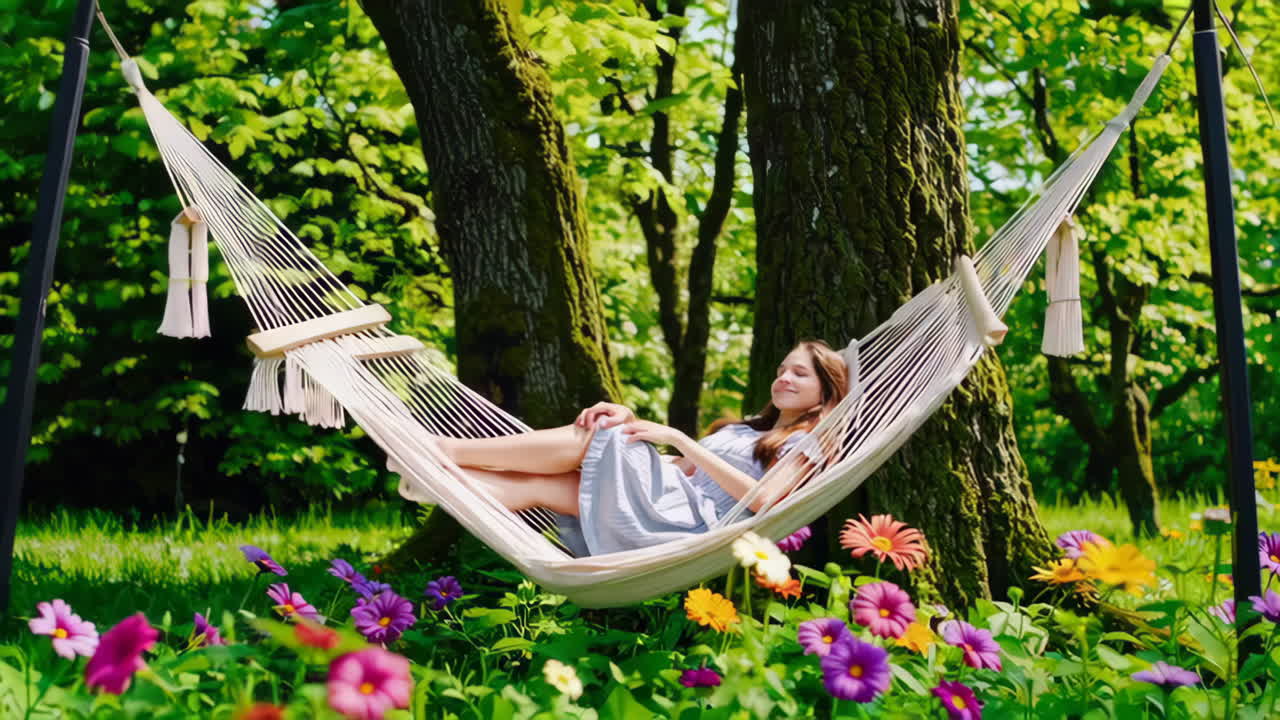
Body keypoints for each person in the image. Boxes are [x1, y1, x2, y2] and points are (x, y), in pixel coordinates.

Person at [434, 340, 849, 555]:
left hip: (686, 523)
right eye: (781, 370)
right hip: (663, 495)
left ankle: (448, 452)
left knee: (606, 433)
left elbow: (765, 500)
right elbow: (681, 466)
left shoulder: (805, 443)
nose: (783, 378)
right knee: (541, 485)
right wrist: (635, 426)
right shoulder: (746, 431)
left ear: (824, 394)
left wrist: (679, 438)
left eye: (799, 373)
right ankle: (434, 478)